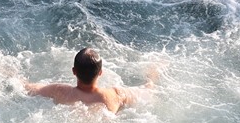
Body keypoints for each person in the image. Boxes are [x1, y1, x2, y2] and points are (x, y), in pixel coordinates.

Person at [23, 48, 155, 114]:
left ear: (74, 71)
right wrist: (152, 77)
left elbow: (28, 88)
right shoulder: (114, 95)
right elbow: (147, 92)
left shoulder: (60, 91)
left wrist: (15, 75)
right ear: (100, 72)